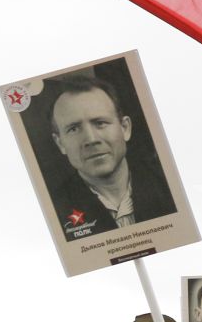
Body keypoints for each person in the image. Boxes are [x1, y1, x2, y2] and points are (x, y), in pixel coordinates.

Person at [43, 72, 174, 239]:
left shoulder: (169, 186)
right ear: (60, 143)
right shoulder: (53, 211)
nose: (91, 139)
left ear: (125, 128)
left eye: (100, 123)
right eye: (74, 129)